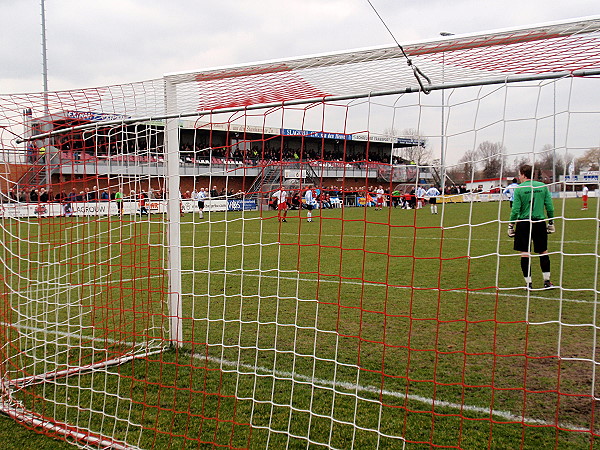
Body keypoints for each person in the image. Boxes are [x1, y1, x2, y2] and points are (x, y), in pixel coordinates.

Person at [508, 164, 555, 290]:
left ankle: (529, 283)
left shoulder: (519, 189)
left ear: (523, 174)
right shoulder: (542, 186)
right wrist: (551, 222)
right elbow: (549, 207)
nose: (519, 176)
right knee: (543, 251)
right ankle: (547, 281)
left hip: (524, 223)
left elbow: (515, 209)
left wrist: (511, 225)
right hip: (539, 222)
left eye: (519, 174)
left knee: (524, 253)